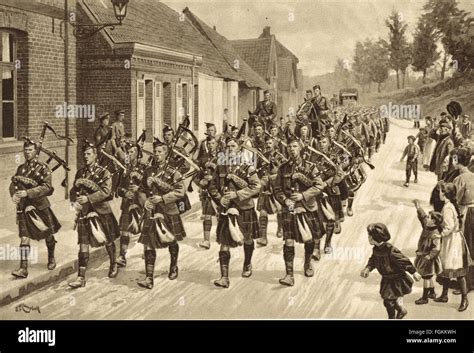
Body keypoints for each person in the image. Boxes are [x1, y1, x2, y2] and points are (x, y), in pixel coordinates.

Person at [208, 137, 262, 288]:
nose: (230, 149)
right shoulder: (221, 167)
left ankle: (247, 263)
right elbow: (212, 186)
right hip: (227, 210)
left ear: (239, 149)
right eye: (228, 146)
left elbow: (256, 186)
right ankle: (224, 277)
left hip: (245, 208)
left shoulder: (248, 167)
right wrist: (220, 200)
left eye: (233, 146)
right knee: (224, 243)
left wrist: (237, 195)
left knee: (248, 239)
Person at [274, 137, 326, 286]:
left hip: (307, 207)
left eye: (295, 146)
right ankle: (289, 274)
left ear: (300, 148)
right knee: (288, 240)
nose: (292, 149)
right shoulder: (283, 168)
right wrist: (285, 200)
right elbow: (277, 189)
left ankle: (308, 263)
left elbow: (319, 186)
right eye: (289, 147)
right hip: (289, 209)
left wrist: (303, 195)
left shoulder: (310, 166)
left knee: (309, 239)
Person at [136, 139, 187, 289]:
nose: (157, 154)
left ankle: (173, 266)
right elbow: (140, 189)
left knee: (171, 240)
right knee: (148, 244)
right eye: (155, 152)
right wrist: (144, 201)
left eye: (160, 152)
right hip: (152, 211)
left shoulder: (173, 172)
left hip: (168, 210)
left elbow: (180, 191)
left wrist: (163, 198)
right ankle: (149, 278)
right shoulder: (148, 171)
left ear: (166, 153)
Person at [69, 142, 121, 288]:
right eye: (84, 154)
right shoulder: (80, 173)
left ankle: (113, 263)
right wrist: (74, 203)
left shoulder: (104, 172)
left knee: (108, 240)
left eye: (89, 154)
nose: (86, 157)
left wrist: (89, 199)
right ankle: (81, 277)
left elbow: (106, 192)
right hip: (84, 213)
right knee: (83, 245)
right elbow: (73, 191)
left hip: (101, 211)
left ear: (95, 155)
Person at [9, 139, 62, 278]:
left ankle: (51, 258)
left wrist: (28, 192)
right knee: (24, 237)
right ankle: (23, 268)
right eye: (25, 150)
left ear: (36, 152)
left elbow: (47, 187)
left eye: (30, 150)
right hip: (24, 207)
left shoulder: (43, 168)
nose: (27, 153)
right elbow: (14, 184)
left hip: (40, 206)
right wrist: (14, 195)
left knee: (48, 233)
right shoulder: (21, 169)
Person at [360, 223, 421, 319]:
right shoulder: (376, 249)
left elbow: (404, 261)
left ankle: (393, 317)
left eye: (369, 235)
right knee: (387, 301)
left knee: (388, 301)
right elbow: (373, 260)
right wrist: (367, 268)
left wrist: (414, 272)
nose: (368, 237)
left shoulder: (390, 250)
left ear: (375, 237)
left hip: (397, 279)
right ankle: (401, 311)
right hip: (387, 279)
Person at [433, 182, 471, 312]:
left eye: (440, 192)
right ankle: (444, 295)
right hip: (452, 240)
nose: (439, 194)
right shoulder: (449, 205)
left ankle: (464, 300)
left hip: (453, 242)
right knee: (447, 268)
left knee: (457, 271)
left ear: (445, 194)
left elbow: (449, 227)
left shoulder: (448, 208)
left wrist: (439, 235)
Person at [115, 142, 145, 267]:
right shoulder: (124, 170)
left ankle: (147, 250)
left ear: (138, 154)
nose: (129, 154)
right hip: (128, 203)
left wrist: (139, 188)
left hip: (141, 203)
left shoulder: (145, 168)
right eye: (128, 152)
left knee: (145, 229)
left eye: (132, 152)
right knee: (124, 230)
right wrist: (125, 192)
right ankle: (122, 255)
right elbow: (117, 188)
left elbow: (150, 187)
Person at [412, 200, 443, 305]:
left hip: (429, 259)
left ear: (434, 221)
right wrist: (418, 207)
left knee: (426, 277)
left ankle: (425, 297)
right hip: (424, 256)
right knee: (428, 276)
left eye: (430, 218)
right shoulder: (427, 225)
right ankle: (432, 293)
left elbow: (437, 248)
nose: (427, 219)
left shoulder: (436, 234)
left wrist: (429, 256)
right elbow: (423, 216)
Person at [452, 147, 474, 292]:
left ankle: (467, 283)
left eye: (454, 158)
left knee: (465, 248)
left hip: (466, 214)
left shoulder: (459, 179)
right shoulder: (472, 175)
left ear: (457, 160)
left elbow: (454, 199)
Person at [193, 135, 219, 250]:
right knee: (207, 215)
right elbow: (195, 176)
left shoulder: (223, 157)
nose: (211, 146)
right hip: (207, 191)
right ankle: (206, 241)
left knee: (222, 215)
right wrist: (201, 181)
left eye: (213, 143)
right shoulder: (203, 158)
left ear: (216, 144)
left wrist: (214, 172)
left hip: (219, 191)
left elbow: (227, 174)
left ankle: (222, 236)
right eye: (209, 144)